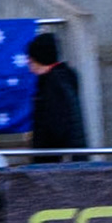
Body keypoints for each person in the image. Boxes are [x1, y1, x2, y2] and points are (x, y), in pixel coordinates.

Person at [27, 30, 86, 161]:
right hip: (65, 155)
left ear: (39, 58)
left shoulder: (53, 83)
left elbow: (55, 124)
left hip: (56, 158)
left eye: (31, 60)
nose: (28, 64)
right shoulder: (62, 78)